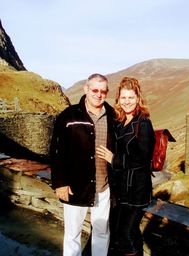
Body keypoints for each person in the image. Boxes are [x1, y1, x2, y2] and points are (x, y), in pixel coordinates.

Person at [50, 73, 115, 256]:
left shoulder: (112, 116)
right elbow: (56, 151)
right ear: (86, 89)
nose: (98, 94)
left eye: (103, 91)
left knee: (102, 232)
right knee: (72, 234)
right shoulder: (68, 116)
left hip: (104, 187)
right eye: (94, 89)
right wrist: (60, 182)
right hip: (75, 187)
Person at [97, 77, 156, 256]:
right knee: (129, 232)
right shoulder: (120, 122)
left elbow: (142, 160)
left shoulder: (143, 123)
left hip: (137, 191)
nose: (127, 102)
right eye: (123, 98)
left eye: (131, 98)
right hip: (121, 189)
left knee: (125, 234)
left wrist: (113, 159)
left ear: (138, 99)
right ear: (118, 99)